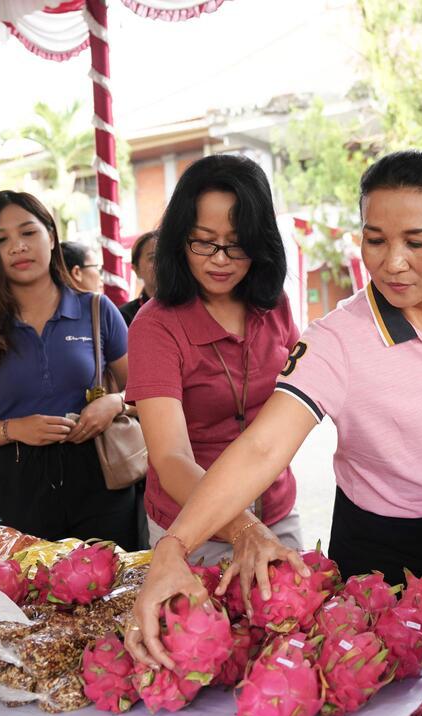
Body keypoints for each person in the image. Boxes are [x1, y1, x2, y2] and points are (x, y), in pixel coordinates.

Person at [125, 150, 422, 668]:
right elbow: (263, 446)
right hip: (384, 551)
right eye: (375, 240)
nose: (392, 261)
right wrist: (174, 545)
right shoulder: (337, 338)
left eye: (417, 242)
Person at [125, 156, 302, 566]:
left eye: (237, 243)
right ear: (179, 238)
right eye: (203, 241)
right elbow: (171, 459)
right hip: (192, 528)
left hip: (275, 513)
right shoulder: (155, 326)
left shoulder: (274, 305)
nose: (220, 259)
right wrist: (243, 528)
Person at [0, 191, 137, 548]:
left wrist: (114, 404)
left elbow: (147, 393)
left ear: (50, 234)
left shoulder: (97, 309)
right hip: (20, 481)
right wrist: (14, 429)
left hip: (102, 475)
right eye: (1, 240)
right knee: (30, 598)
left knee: (115, 593)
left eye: (28, 232)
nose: (17, 247)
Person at [120, 231, 158, 327]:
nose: (161, 263)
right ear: (136, 270)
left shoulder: (192, 307)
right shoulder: (124, 316)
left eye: (166, 257)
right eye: (153, 258)